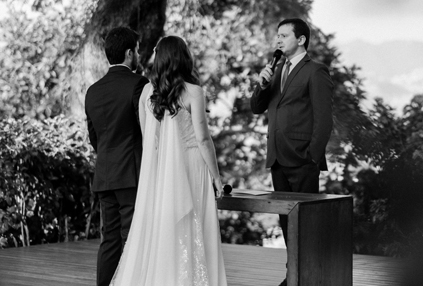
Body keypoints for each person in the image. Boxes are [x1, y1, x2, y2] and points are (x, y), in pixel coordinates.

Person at [109, 36, 227, 286]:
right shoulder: (194, 92)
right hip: (194, 165)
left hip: (164, 171)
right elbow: (204, 140)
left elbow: (149, 139)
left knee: (169, 226)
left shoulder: (146, 93)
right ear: (183, 57)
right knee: (197, 225)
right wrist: (217, 179)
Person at [250, 18, 334, 286]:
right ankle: (294, 275)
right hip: (277, 158)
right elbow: (255, 107)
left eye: (284, 35)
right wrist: (263, 84)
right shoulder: (275, 70)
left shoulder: (316, 71)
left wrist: (312, 155)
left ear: (301, 40)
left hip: (302, 159)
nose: (278, 40)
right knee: (287, 224)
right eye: (277, 35)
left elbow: (324, 119)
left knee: (306, 226)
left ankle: (311, 278)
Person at [85, 27, 149, 286]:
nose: (139, 54)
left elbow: (94, 138)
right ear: (129, 52)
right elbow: (147, 130)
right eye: (137, 50)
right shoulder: (139, 85)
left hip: (105, 175)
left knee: (109, 240)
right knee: (134, 238)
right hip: (132, 175)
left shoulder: (93, 91)